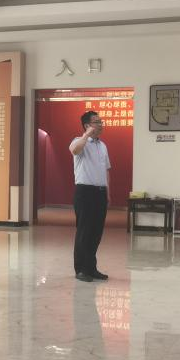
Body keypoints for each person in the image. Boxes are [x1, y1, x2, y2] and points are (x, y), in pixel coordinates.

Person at [70, 110, 111, 282]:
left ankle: (91, 268)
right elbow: (74, 150)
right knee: (84, 232)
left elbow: (106, 171)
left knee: (96, 233)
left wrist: (107, 193)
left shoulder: (103, 146)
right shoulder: (78, 141)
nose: (101, 125)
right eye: (97, 122)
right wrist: (86, 135)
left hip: (100, 193)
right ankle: (81, 270)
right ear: (87, 125)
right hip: (84, 192)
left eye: (101, 122)